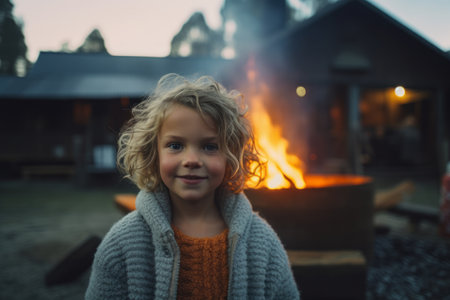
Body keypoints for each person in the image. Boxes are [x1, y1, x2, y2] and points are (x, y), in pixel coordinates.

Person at [85, 74, 300, 299]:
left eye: (209, 147)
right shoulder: (123, 244)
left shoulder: (262, 243)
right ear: (153, 153)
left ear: (231, 156)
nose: (192, 160)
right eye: (175, 145)